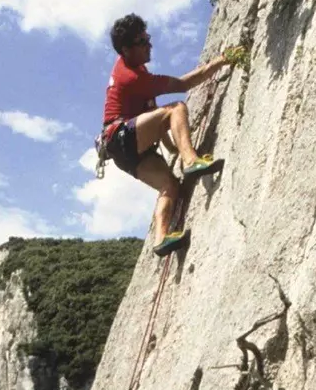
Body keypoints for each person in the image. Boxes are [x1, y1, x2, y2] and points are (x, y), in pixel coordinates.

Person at [100, 13, 241, 256]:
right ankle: (191, 161)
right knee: (176, 107)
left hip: (123, 150)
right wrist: (221, 61)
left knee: (169, 185)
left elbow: (155, 120)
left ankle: (162, 237)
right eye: (142, 41)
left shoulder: (133, 71)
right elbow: (184, 85)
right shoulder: (132, 77)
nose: (149, 44)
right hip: (121, 136)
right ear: (126, 49)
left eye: (148, 38)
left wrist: (173, 146)